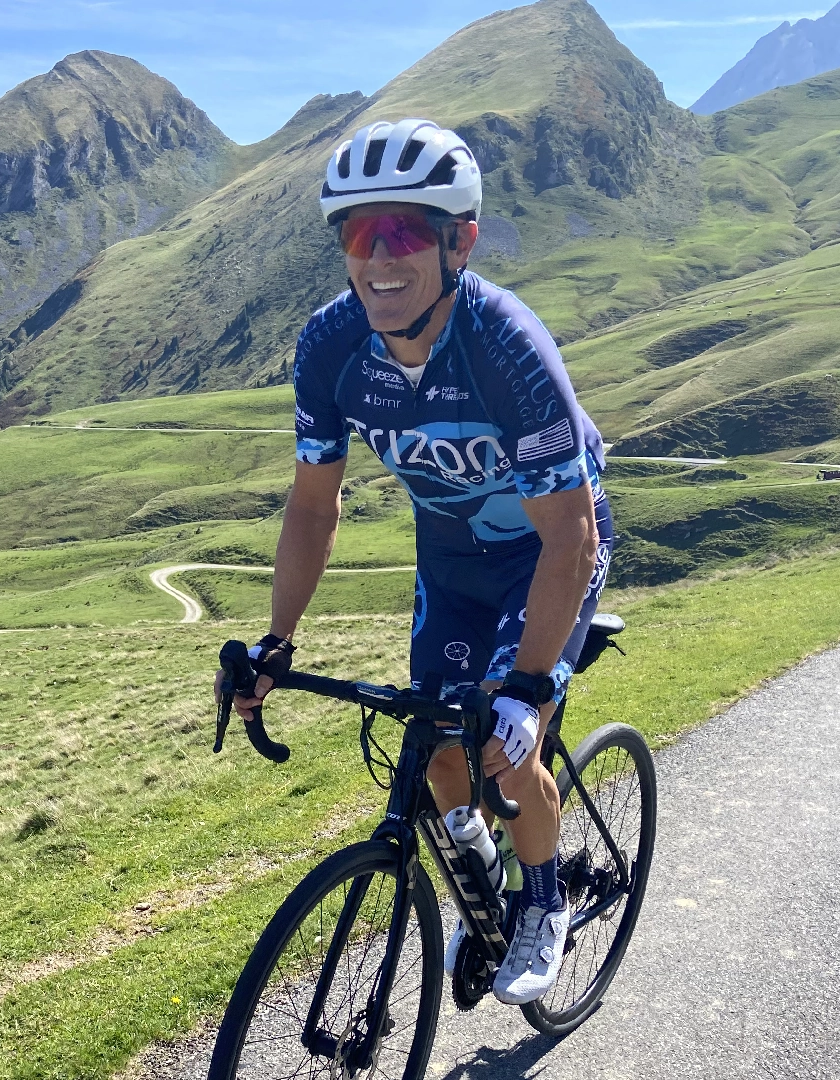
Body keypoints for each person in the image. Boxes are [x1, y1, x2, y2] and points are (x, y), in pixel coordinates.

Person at [219, 118, 615, 1005]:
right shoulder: (330, 347)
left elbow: (570, 536)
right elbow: (314, 506)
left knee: (512, 749)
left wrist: (529, 688)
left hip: (547, 553)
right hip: (450, 562)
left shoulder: (507, 346)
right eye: (360, 234)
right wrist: (275, 643)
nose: (379, 257)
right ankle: (485, 878)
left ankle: (544, 897)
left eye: (403, 231)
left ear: (459, 239)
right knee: (438, 751)